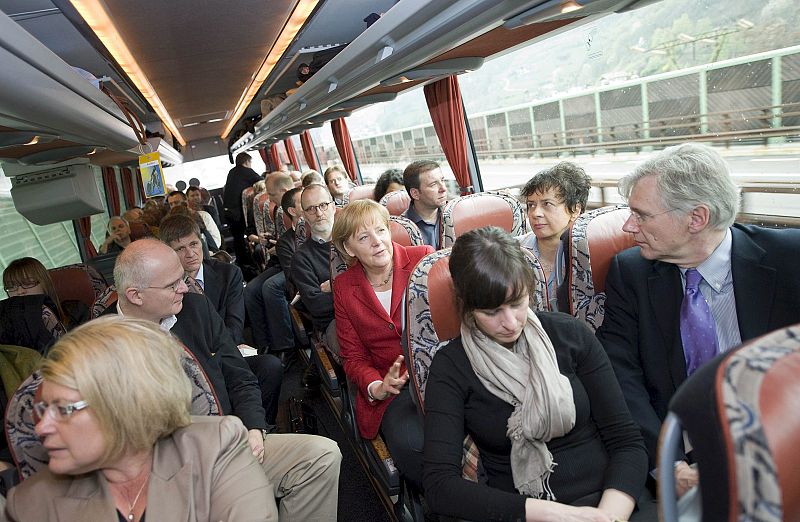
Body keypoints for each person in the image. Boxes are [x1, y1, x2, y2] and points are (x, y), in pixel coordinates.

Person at [595, 143, 800, 490]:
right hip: (681, 456)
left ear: (696, 218)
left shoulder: (789, 260)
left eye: (641, 214)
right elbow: (619, 377)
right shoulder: (629, 274)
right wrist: (667, 466)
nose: (629, 226)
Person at [424, 227, 647, 522]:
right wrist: (554, 514)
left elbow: (627, 441)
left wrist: (608, 515)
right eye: (492, 312)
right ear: (468, 307)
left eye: (517, 303)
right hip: (525, 509)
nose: (510, 322)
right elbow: (440, 486)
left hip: (609, 499)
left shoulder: (569, 334)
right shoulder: (451, 366)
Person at [109, 239, 342, 520]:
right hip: (167, 476)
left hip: (230, 443)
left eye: (182, 278)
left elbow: (239, 376)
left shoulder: (195, 309)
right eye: (173, 285)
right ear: (135, 295)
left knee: (321, 455)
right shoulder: (101, 349)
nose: (185, 287)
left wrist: (254, 428)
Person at [3, 316, 274, 521]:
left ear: (124, 405)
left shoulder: (215, 448)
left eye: (62, 410)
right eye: (40, 411)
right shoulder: (28, 504)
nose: (41, 427)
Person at [333, 200, 433, 489]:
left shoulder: (423, 259)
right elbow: (352, 357)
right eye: (364, 237)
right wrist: (376, 387)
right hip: (395, 390)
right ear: (349, 249)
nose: (377, 242)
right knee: (415, 445)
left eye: (381, 230)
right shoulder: (344, 287)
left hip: (441, 375)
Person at [159, 215, 283, 425]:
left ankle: (263, 427)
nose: (190, 254)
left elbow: (235, 326)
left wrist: (218, 351)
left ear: (202, 242)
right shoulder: (165, 286)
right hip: (188, 360)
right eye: (180, 249)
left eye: (194, 244)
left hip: (223, 351)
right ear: (168, 252)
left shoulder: (228, 274)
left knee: (271, 366)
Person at [517, 162, 592, 311]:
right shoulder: (513, 251)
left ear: (575, 210)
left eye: (547, 204)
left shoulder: (589, 254)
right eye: (531, 205)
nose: (535, 213)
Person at [290, 184, 338, 350]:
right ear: (303, 215)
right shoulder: (301, 258)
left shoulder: (354, 241)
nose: (318, 213)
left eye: (323, 205)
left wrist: (335, 286)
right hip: (333, 323)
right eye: (311, 209)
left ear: (333, 207)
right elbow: (318, 306)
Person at [1, 257, 67, 352]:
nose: (19, 291)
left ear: (45, 284)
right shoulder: (6, 327)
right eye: (11, 286)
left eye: (28, 283)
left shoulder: (76, 312)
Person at [223, 152, 261, 264]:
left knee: (238, 239)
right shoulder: (247, 171)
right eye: (250, 162)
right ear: (246, 162)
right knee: (242, 236)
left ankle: (243, 262)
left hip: (229, 212)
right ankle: (248, 262)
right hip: (238, 213)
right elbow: (262, 182)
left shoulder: (232, 172)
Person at [402, 160, 448, 248]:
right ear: (415, 193)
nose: (443, 188)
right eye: (433, 184)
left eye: (442, 180)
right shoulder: (402, 229)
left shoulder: (455, 215)